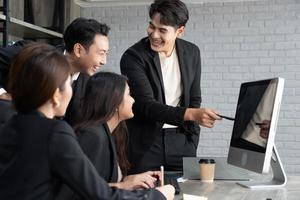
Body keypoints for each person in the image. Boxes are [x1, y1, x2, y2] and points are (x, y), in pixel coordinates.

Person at [0, 43, 174, 200]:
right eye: (69, 84)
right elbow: (101, 195)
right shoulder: (55, 132)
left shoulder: (9, 127)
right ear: (55, 95)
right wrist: (158, 195)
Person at [120, 0, 221, 173]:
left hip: (182, 143)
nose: (154, 34)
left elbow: (194, 98)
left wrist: (191, 141)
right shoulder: (133, 57)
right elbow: (146, 105)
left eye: (162, 30)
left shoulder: (192, 52)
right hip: (145, 145)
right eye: (152, 26)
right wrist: (192, 115)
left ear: (179, 31)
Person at [0, 17, 110, 126]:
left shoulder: (87, 84)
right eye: (101, 53)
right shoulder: (34, 54)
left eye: (106, 53)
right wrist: (2, 94)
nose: (104, 61)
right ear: (78, 50)